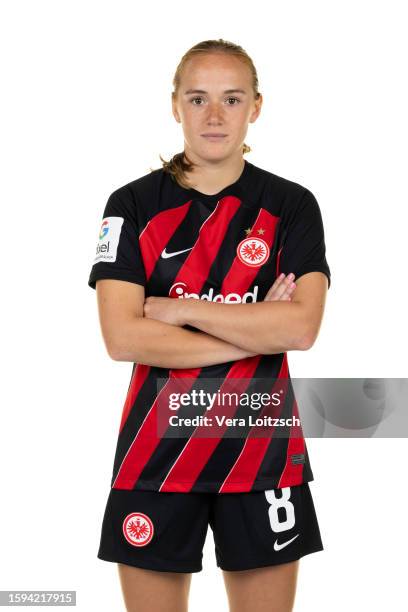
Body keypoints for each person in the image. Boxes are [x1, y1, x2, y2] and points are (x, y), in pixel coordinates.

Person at [88, 38, 331, 612]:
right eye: (198, 99)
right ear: (175, 106)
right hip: (155, 455)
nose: (215, 115)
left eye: (232, 98)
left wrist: (182, 309)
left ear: (256, 107)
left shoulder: (293, 206)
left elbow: (300, 329)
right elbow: (122, 337)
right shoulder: (132, 206)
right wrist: (252, 324)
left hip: (263, 452)